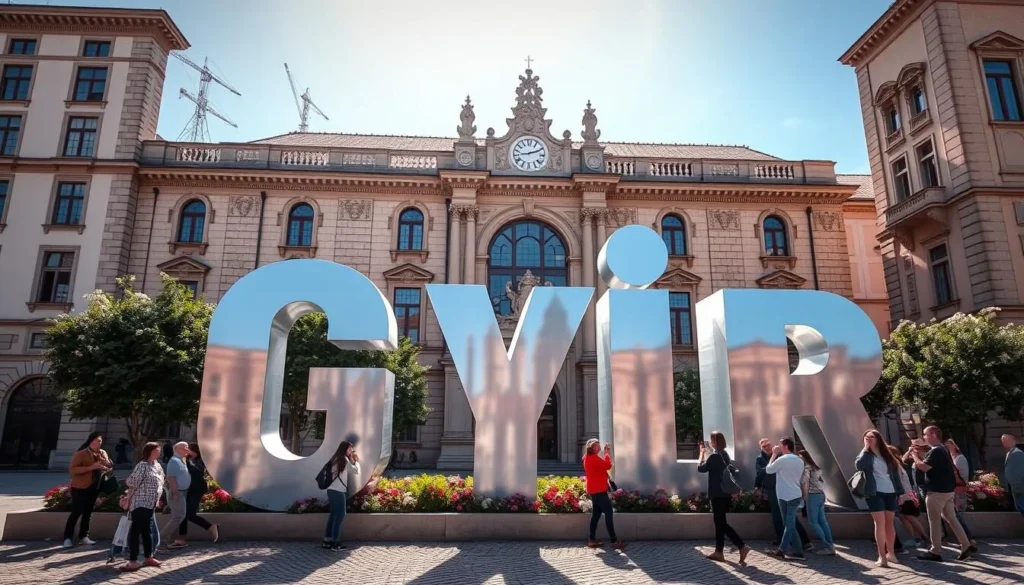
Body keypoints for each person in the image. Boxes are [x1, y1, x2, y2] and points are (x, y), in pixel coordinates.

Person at [912, 425, 973, 562]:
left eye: (925, 434)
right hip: (947, 491)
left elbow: (923, 467)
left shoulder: (936, 451)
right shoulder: (943, 449)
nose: (924, 437)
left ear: (933, 434)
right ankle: (966, 545)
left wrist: (915, 456)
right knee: (951, 518)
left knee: (934, 521)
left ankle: (935, 551)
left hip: (936, 492)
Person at [698, 431, 750, 564]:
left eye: (711, 440)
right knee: (720, 522)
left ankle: (741, 546)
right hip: (725, 493)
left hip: (717, 493)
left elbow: (701, 468)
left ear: (715, 442)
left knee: (720, 522)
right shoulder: (724, 454)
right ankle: (719, 552)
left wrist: (702, 453)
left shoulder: (715, 456)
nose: (709, 442)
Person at [855, 430, 903, 567]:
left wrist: (900, 493)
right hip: (874, 492)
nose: (868, 439)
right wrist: (865, 449)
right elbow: (859, 466)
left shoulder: (887, 454)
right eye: (866, 437)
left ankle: (892, 553)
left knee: (889, 523)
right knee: (879, 523)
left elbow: (895, 474)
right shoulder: (865, 454)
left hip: (890, 491)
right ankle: (882, 556)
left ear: (878, 439)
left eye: (871, 437)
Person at [755, 437, 811, 551]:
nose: (767, 447)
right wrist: (757, 485)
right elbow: (760, 472)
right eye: (763, 446)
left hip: (784, 490)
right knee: (778, 516)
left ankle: (801, 543)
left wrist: (773, 459)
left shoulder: (782, 457)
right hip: (773, 489)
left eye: (768, 445)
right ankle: (783, 541)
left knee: (789, 519)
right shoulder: (760, 458)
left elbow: (770, 470)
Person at [121, 442, 165, 573]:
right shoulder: (143, 465)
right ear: (149, 451)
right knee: (136, 530)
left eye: (159, 450)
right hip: (140, 502)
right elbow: (132, 482)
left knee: (147, 531)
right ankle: (133, 561)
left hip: (151, 503)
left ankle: (148, 557)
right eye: (156, 450)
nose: (158, 453)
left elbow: (162, 480)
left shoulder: (157, 465)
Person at [63, 432, 112, 548]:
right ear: (90, 441)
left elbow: (109, 466)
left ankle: (83, 536)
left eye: (100, 441)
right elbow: (72, 469)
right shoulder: (82, 453)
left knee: (88, 512)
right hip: (80, 487)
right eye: (95, 440)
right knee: (76, 511)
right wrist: (91, 467)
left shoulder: (102, 453)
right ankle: (67, 537)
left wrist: (105, 465)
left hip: (95, 486)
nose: (98, 443)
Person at [765, 437, 806, 560]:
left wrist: (773, 455)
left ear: (786, 446)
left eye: (781, 445)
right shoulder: (799, 460)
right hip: (795, 494)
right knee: (790, 524)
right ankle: (798, 552)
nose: (779, 447)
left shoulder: (782, 460)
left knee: (788, 524)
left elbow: (768, 470)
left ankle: (782, 549)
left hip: (784, 495)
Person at [582, 438, 626, 550]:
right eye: (597, 446)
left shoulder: (586, 457)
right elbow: (608, 465)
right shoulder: (594, 458)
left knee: (596, 515)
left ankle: (591, 540)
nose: (599, 447)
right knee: (608, 513)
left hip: (593, 490)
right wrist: (607, 453)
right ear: (592, 448)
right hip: (599, 490)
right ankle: (614, 540)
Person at [178, 442, 219, 545]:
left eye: (189, 450)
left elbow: (196, 472)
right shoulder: (187, 460)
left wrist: (186, 461)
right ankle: (181, 539)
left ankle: (210, 526)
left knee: (190, 514)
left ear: (195, 451)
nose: (188, 453)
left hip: (196, 490)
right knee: (183, 514)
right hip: (187, 489)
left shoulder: (201, 461)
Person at [323, 440, 361, 550]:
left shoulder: (335, 457)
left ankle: (327, 541)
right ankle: (335, 543)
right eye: (350, 449)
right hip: (338, 491)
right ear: (345, 449)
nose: (351, 451)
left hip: (331, 490)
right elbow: (355, 471)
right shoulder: (344, 459)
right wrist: (356, 461)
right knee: (340, 515)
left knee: (333, 515)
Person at [797, 450, 835, 555]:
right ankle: (831, 544)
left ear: (803, 458)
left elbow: (805, 483)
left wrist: (803, 497)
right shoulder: (816, 467)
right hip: (821, 495)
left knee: (813, 522)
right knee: (823, 521)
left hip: (812, 496)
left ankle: (827, 546)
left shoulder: (807, 469)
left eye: (800, 457)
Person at [890, 444, 927, 548]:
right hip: (906, 493)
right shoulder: (898, 462)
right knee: (903, 516)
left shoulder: (894, 464)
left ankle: (923, 537)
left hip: (904, 494)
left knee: (908, 516)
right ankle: (915, 537)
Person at [160, 442, 192, 549]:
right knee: (179, 516)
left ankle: (172, 541)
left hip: (181, 492)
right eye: (184, 448)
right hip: (177, 492)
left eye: (187, 448)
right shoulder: (174, 461)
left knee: (177, 517)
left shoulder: (181, 460)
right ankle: (161, 541)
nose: (187, 450)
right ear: (177, 449)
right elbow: (171, 478)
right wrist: (175, 492)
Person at [1002, 434, 1024, 516]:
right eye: (1003, 441)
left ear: (1013, 441)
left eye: (1006, 441)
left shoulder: (1017, 453)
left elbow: (1020, 472)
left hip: (1020, 489)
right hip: (1015, 489)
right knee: (1020, 509)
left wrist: (1017, 486)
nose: (1004, 443)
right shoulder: (1010, 453)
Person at [946, 438, 969, 512]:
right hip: (952, 489)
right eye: (947, 447)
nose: (949, 448)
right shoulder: (949, 458)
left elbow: (964, 475)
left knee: (960, 510)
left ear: (954, 446)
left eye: (950, 445)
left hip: (960, 487)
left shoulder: (960, 458)